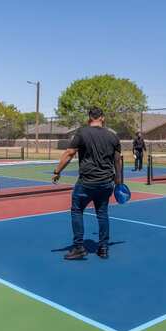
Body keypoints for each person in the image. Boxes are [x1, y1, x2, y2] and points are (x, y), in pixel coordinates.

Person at [52, 107, 122, 260]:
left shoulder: (82, 133)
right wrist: (119, 183)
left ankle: (78, 248)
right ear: (102, 118)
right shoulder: (113, 137)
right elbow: (117, 160)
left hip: (86, 183)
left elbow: (69, 153)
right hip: (106, 183)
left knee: (77, 211)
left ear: (89, 118)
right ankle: (103, 248)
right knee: (102, 214)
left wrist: (57, 171)